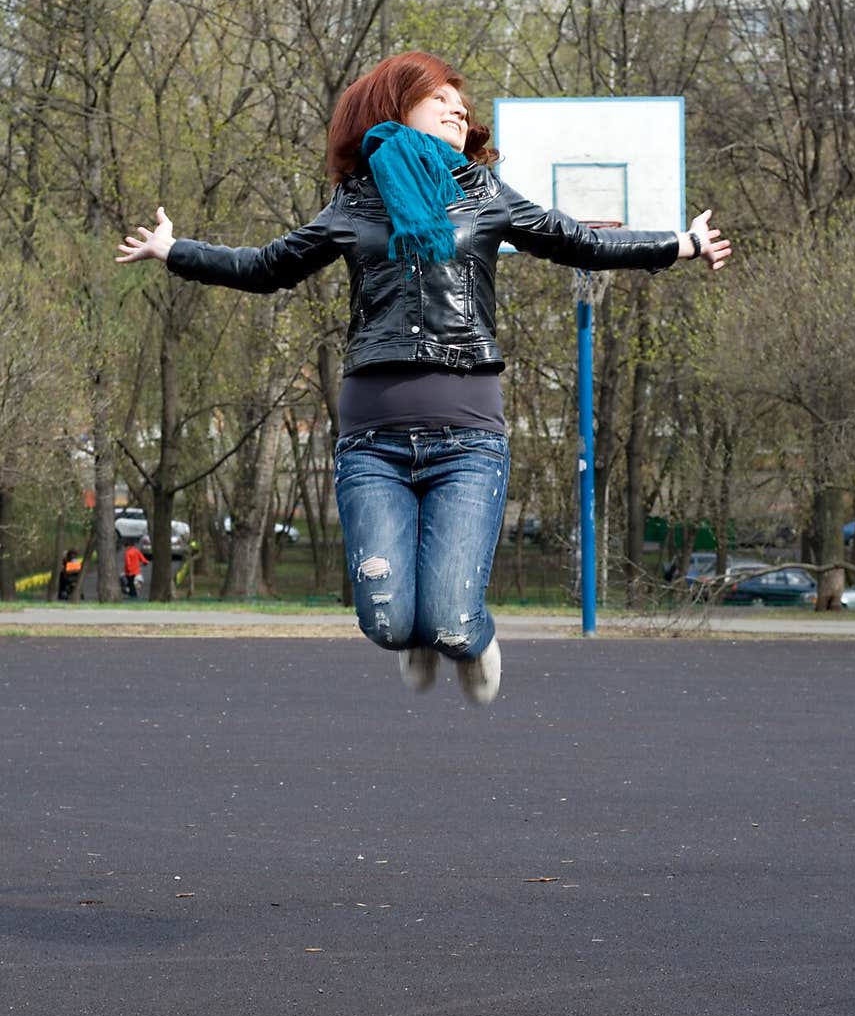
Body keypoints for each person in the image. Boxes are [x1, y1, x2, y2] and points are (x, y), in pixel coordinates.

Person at [117, 51, 731, 704]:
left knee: (449, 619)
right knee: (386, 622)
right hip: (372, 444)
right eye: (441, 99)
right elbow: (268, 266)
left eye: (463, 110)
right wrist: (174, 250)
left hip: (468, 442)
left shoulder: (484, 194)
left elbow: (577, 238)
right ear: (396, 104)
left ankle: (470, 639)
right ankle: (418, 638)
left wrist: (680, 244)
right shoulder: (354, 205)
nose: (457, 112)